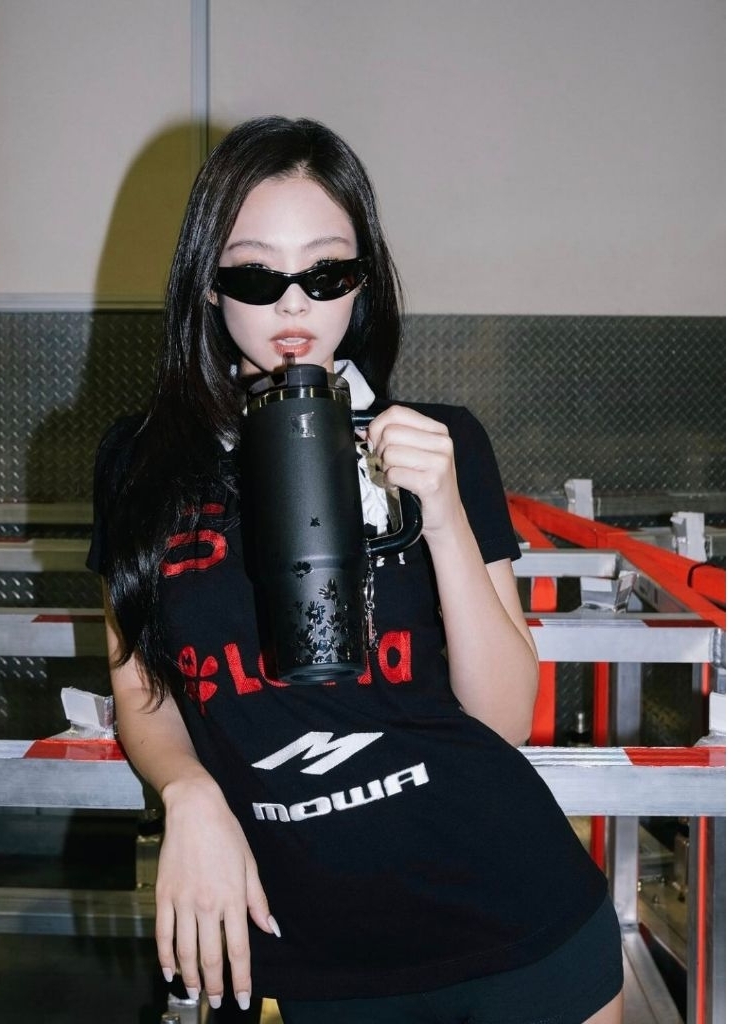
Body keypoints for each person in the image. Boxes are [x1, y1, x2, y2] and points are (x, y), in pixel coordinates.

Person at [87, 115, 623, 1024]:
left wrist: (442, 512)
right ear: (208, 285)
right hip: (321, 956)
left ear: (362, 282)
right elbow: (142, 687)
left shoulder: (438, 443)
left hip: (519, 925)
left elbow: (501, 719)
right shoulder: (140, 466)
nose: (294, 306)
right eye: (256, 274)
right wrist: (188, 792)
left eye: (326, 272)